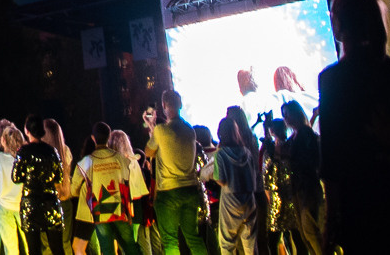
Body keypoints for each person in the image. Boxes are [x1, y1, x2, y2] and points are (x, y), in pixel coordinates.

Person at [312, 0, 390, 255]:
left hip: (365, 205)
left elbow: (332, 158)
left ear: (339, 24)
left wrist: (331, 221)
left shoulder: (333, 79)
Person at [142, 97, 203, 255]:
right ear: (181, 104)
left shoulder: (161, 130)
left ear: (163, 106)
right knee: (193, 237)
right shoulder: (190, 130)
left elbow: (148, 152)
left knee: (170, 240)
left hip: (169, 191)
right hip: (190, 188)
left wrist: (151, 127)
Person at [73, 134, 142, 255]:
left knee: (107, 248)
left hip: (100, 211)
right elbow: (126, 181)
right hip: (119, 209)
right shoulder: (119, 157)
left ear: (94, 138)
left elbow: (74, 187)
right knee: (130, 245)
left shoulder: (88, 160)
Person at [274, 103, 322, 255]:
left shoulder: (305, 133)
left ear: (296, 114)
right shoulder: (295, 135)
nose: (285, 118)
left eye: (287, 114)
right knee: (305, 233)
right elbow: (280, 154)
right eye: (284, 115)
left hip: (307, 187)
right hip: (297, 187)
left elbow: (307, 159)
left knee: (310, 231)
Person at [208, 115, 257, 255]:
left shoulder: (221, 154)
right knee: (250, 246)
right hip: (249, 200)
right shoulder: (246, 152)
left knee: (227, 245)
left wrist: (210, 175)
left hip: (231, 201)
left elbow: (221, 180)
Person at [7, 137, 63, 255]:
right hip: (50, 201)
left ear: (27, 131)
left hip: (30, 203)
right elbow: (59, 177)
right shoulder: (51, 151)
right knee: (57, 248)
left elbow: (15, 177)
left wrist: (29, 177)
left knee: (33, 249)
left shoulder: (24, 151)